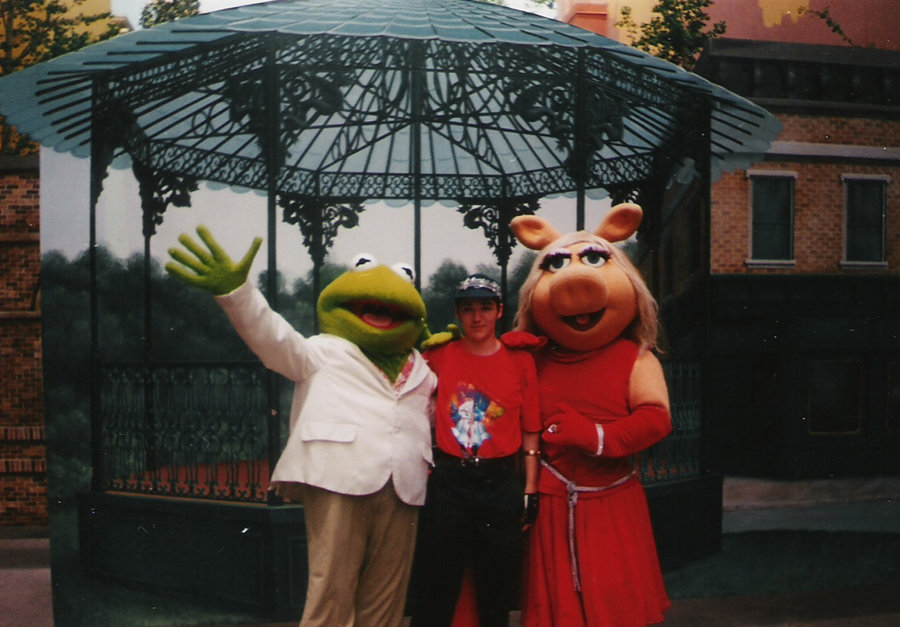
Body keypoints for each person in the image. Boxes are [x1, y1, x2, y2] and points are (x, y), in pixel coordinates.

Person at [166, 228, 437, 627]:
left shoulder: (424, 368)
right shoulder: (322, 351)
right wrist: (237, 293)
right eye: (370, 305)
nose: (382, 312)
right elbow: (273, 338)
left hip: (404, 487)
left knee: (387, 600)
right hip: (339, 478)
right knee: (331, 592)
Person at [510, 205, 672, 626]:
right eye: (556, 265)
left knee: (615, 602)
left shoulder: (635, 357)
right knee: (555, 608)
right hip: (551, 502)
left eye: (595, 260)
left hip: (611, 500)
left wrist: (596, 436)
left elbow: (656, 419)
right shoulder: (534, 358)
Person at [411, 273, 542, 627]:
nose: (477, 317)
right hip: (450, 480)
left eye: (485, 307)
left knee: (496, 588)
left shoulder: (520, 361)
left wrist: (530, 488)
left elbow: (531, 431)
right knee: (436, 584)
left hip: (499, 483)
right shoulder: (439, 357)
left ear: (500, 311)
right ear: (457, 314)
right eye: (468, 309)